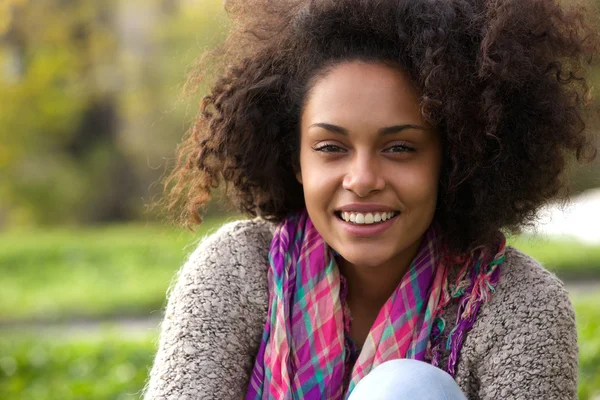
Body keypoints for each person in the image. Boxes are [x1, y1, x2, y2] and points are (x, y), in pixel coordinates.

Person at [143, 0, 600, 398]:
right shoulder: (238, 268)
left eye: (399, 148)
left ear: (455, 158)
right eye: (331, 148)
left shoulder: (518, 304)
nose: (362, 179)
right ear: (296, 160)